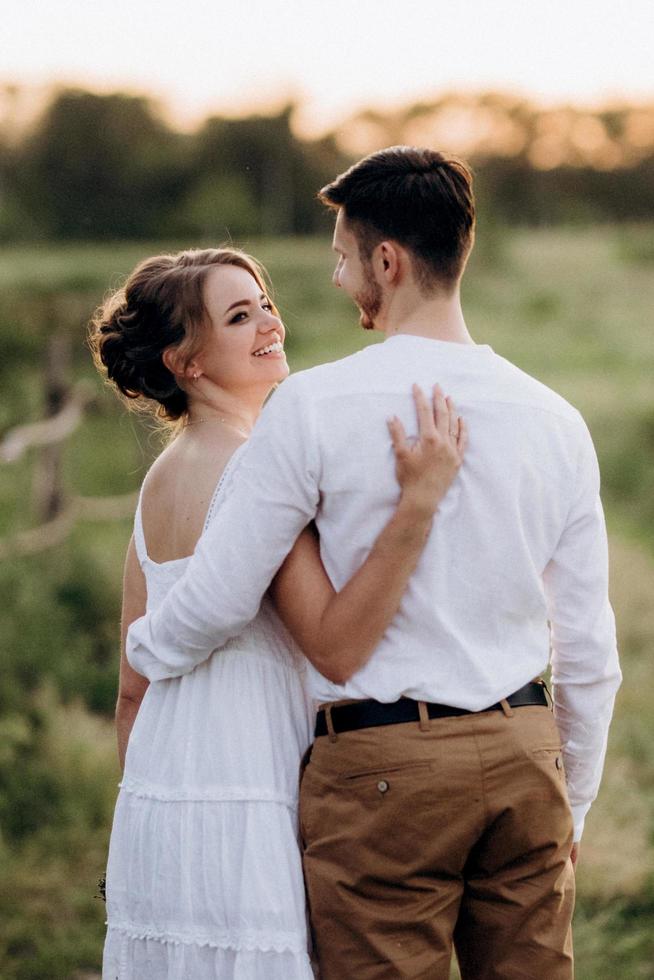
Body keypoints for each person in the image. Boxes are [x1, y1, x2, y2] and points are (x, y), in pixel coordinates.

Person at [127, 148, 622, 979]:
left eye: (341, 256)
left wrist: (145, 651)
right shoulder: (556, 419)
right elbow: (589, 646)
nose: (335, 277)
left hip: (385, 771)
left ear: (385, 261)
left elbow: (219, 598)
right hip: (525, 753)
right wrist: (571, 797)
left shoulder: (313, 408)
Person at [91, 245, 466, 980]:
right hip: (251, 791)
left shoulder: (155, 488)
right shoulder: (255, 470)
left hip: (159, 802)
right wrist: (417, 505)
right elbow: (335, 638)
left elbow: (130, 696)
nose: (270, 321)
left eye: (263, 302)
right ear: (186, 363)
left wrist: (155, 821)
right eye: (239, 316)